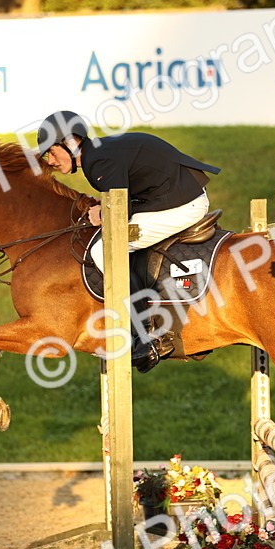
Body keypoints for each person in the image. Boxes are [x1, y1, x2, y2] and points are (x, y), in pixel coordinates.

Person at [37, 110, 220, 373]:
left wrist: (102, 212)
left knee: (105, 250)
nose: (50, 160)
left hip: (183, 204)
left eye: (52, 152)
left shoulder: (97, 162)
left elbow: (119, 209)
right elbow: (123, 193)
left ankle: (146, 333)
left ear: (72, 142)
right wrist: (104, 206)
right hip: (175, 195)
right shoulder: (98, 155)